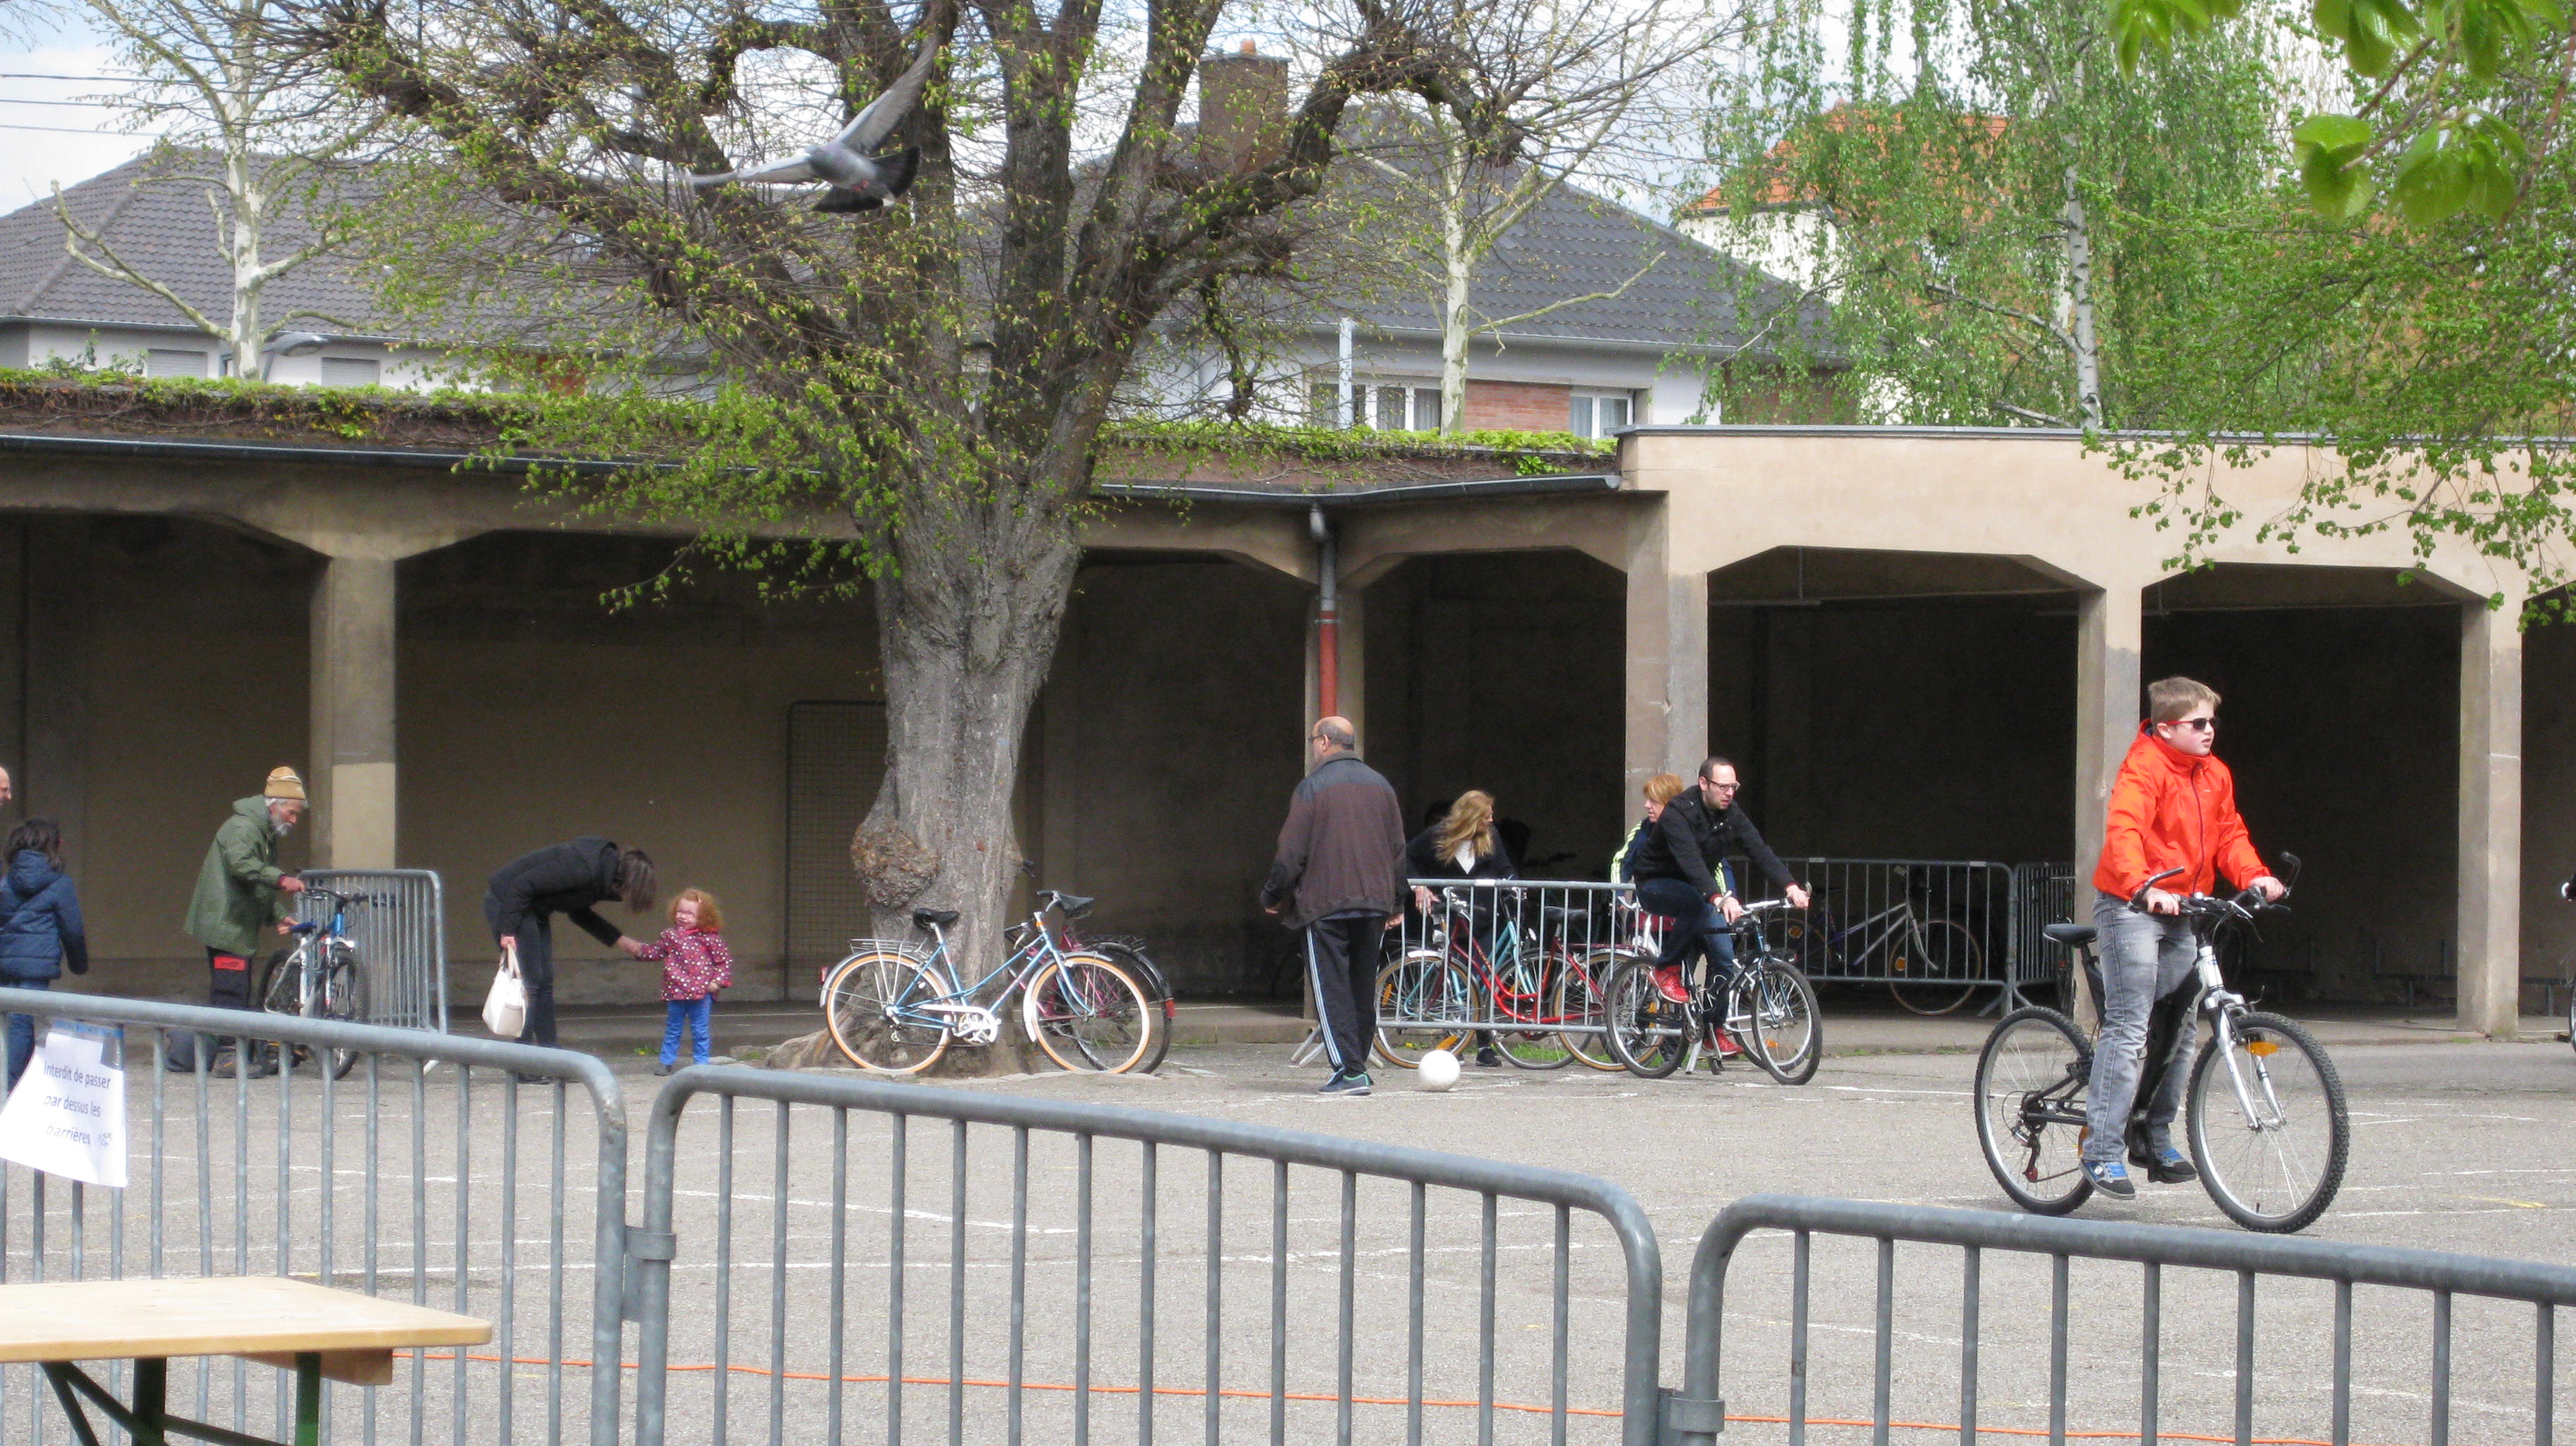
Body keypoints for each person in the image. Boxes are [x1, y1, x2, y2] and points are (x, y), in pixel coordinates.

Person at [2082, 676, 2284, 1199]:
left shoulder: (2213, 774)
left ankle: (2154, 1134)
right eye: (2198, 723)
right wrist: (2144, 888)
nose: (2209, 731)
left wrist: (2255, 876)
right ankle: (2102, 1151)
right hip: (2134, 904)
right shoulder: (2144, 767)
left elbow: (2231, 835)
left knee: (2182, 1023)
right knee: (2130, 1024)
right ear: (2168, 728)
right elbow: (2124, 831)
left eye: (2213, 721)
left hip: (2186, 908)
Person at [1260, 716, 1407, 1097]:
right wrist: (1397, 900)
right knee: (1361, 986)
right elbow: (1397, 848)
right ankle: (1358, 1063)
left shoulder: (1314, 787)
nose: (1313, 747)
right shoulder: (1382, 786)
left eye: (1313, 740)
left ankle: (1350, 1071)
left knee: (1331, 987)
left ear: (1325, 742)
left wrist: (1274, 894)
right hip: (1373, 901)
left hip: (1326, 903)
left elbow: (1291, 850)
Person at [1629, 758, 1810, 1004]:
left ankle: (1714, 1028)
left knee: (1724, 955)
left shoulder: (1731, 813)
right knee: (1696, 904)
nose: (1729, 793)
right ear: (1703, 783)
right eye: (1722, 787)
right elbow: (1690, 860)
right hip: (1656, 883)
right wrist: (1717, 897)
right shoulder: (1678, 812)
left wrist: (1790, 886)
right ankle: (1665, 969)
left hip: (1697, 889)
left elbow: (1758, 849)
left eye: (1733, 787)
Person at [184, 767, 309, 1077]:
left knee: (234, 989)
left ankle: (226, 1053)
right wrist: (281, 880)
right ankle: (227, 1059)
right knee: (230, 991)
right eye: (292, 813)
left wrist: (278, 914)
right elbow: (243, 867)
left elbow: (253, 882)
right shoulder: (244, 828)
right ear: (275, 806)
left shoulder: (260, 830)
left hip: (234, 925)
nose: (294, 821)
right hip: (228, 927)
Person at [484, 837, 657, 1050]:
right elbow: (522, 885)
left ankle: (551, 1054)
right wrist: (508, 930)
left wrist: (619, 940)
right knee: (530, 983)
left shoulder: (598, 875)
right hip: (509, 901)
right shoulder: (583, 869)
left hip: (534, 909)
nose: (626, 895)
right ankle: (523, 1061)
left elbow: (578, 912)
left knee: (544, 982)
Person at [1405, 790, 1518, 1067]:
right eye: (1486, 816)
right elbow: (1407, 857)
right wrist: (1419, 886)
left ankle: (1483, 1045)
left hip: (1484, 918)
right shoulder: (1438, 835)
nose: (1491, 821)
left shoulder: (1491, 837)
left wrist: (1516, 886)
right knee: (1453, 978)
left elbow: (1506, 868)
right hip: (1451, 917)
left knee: (1484, 981)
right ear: (1470, 818)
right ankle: (1453, 1039)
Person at [0, 818, 85, 1090]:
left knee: (7, 1021)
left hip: (4, 960)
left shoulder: (7, 881)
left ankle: (9, 1081)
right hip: (36, 963)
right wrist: (78, 963)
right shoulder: (60, 883)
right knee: (22, 1022)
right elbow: (72, 929)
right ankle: (12, 1085)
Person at [631, 888, 734, 1075]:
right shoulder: (670, 936)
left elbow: (724, 962)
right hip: (677, 991)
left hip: (702, 993)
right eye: (680, 912)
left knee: (700, 1029)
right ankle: (666, 1061)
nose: (683, 917)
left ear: (704, 916)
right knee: (673, 1028)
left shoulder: (711, 938)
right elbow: (655, 952)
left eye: (689, 913)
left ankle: (701, 1063)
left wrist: (717, 982)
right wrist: (636, 949)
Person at [1610, 774, 1688, 883]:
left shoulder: (1694, 830)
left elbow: (1716, 869)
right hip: (1645, 899)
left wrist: (1717, 899)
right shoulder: (1642, 829)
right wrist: (1618, 897)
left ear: (1670, 803)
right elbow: (1621, 863)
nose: (1647, 805)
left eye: (1654, 801)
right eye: (1647, 799)